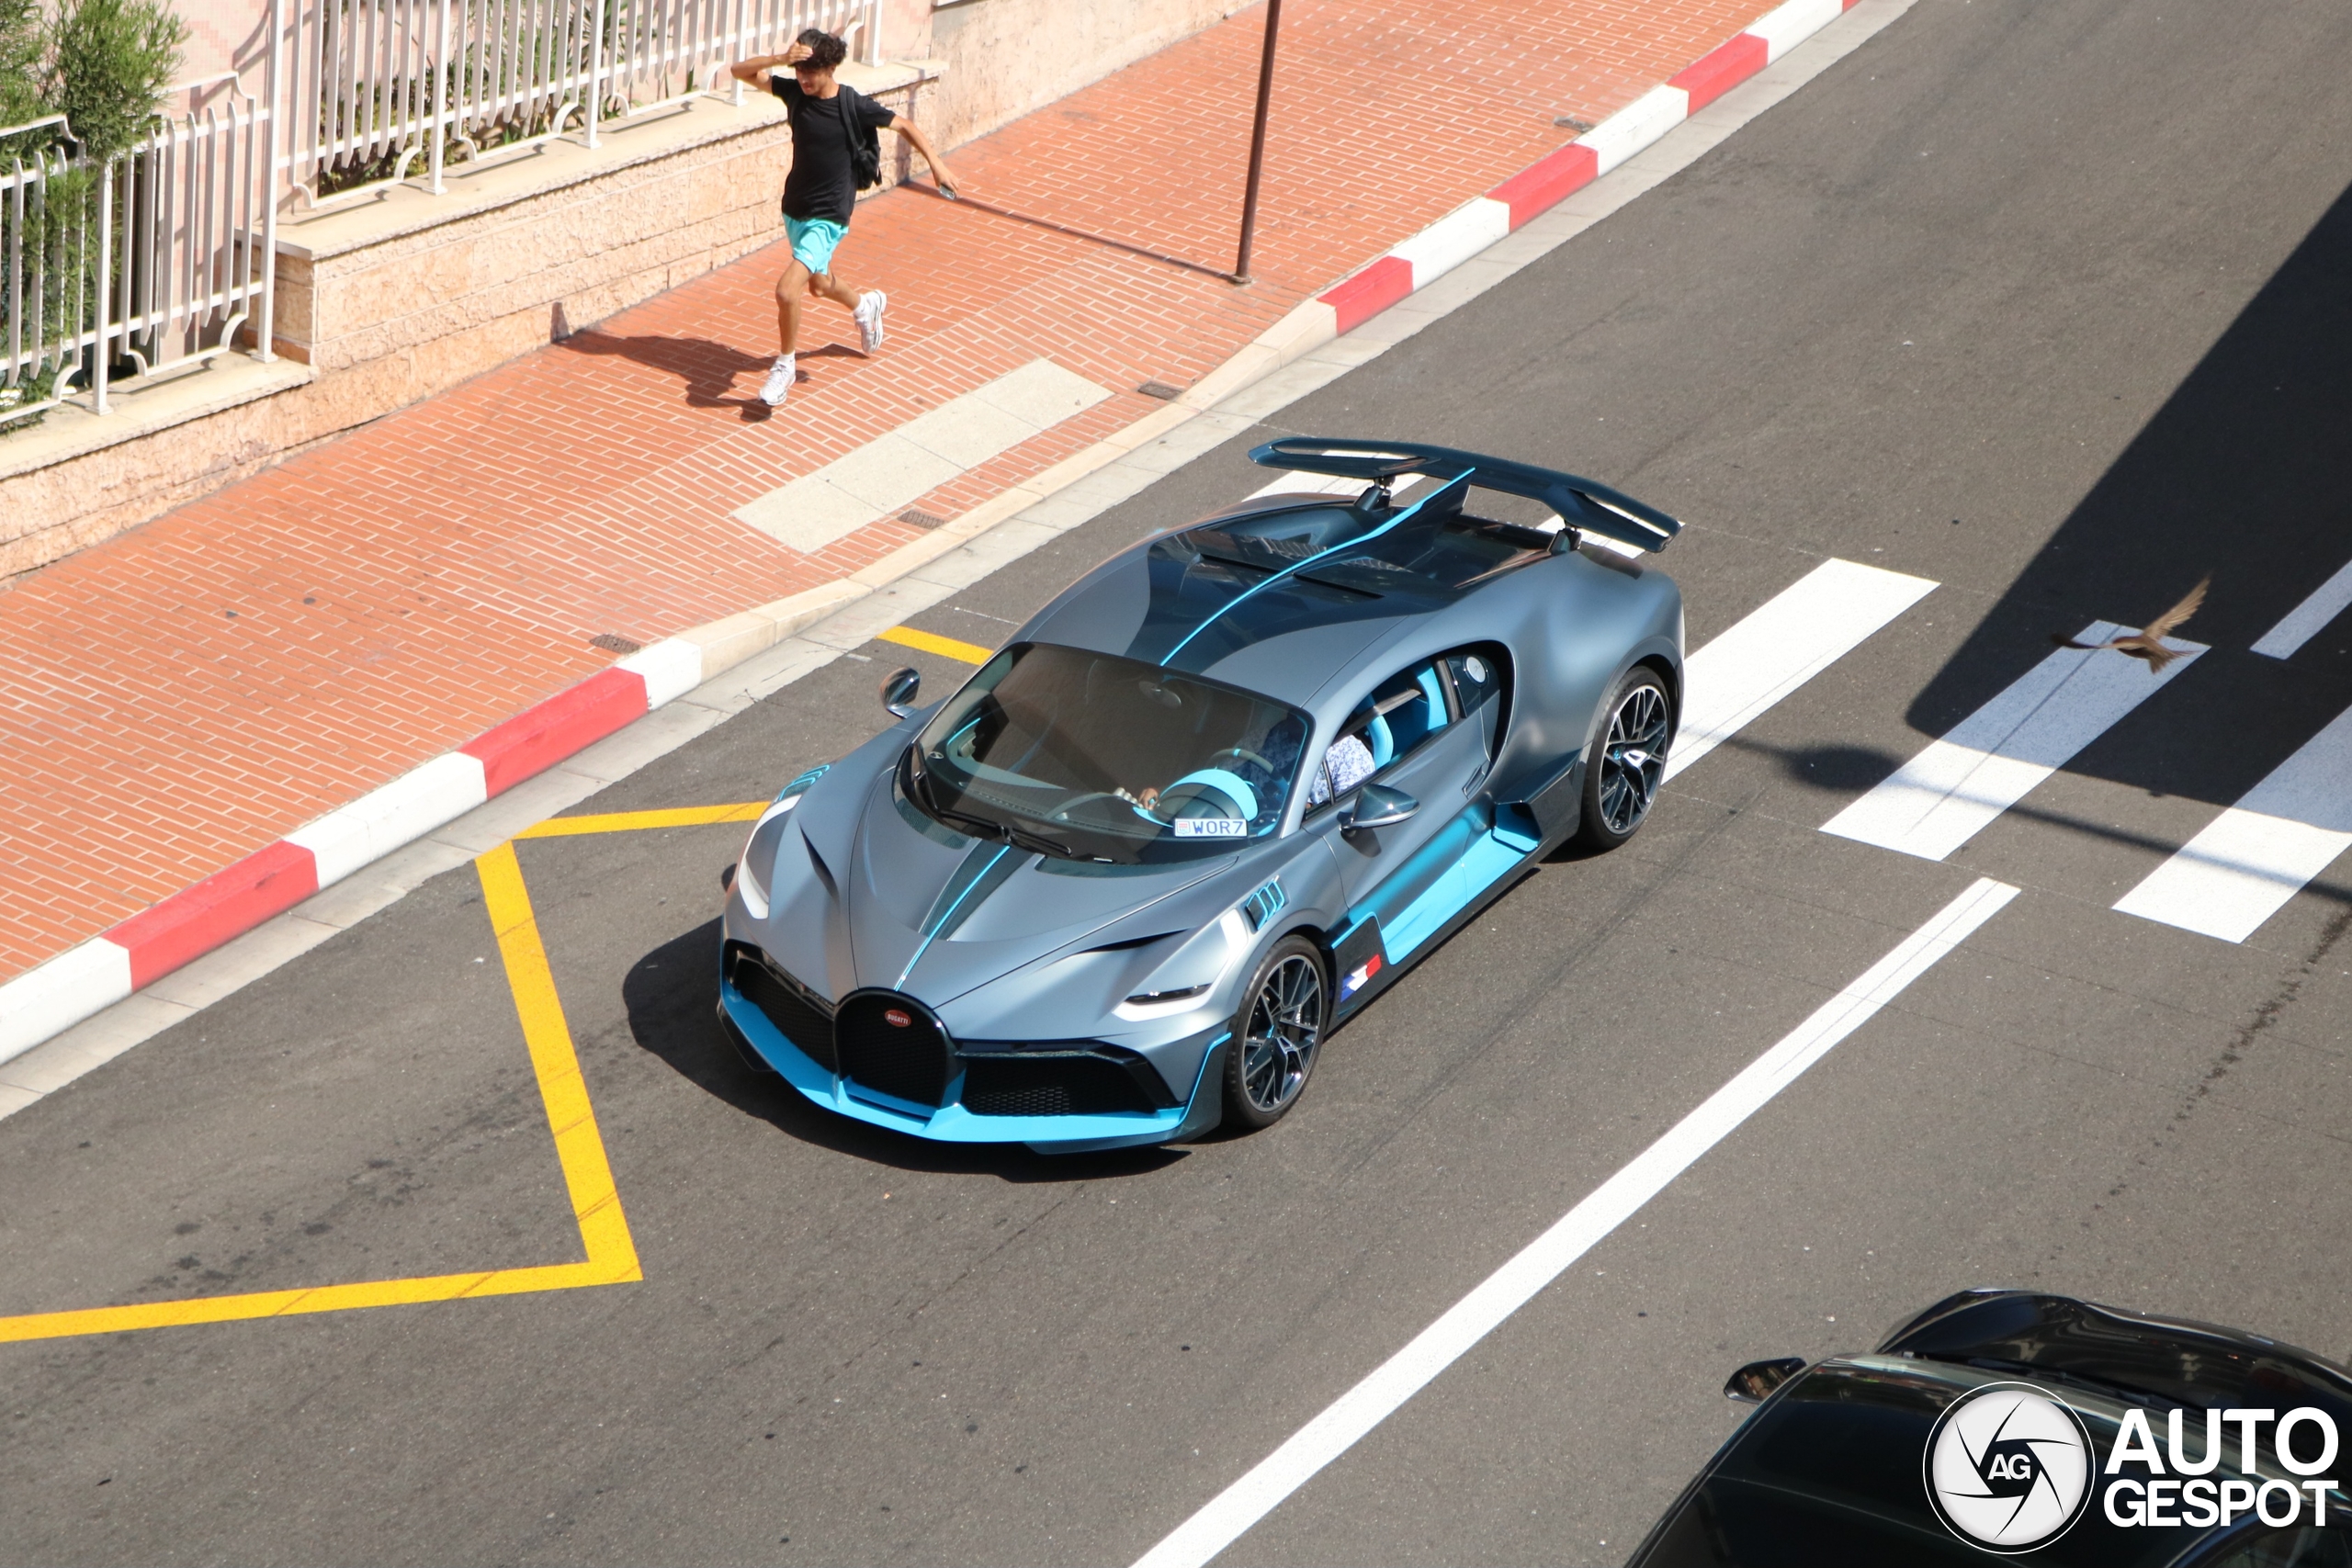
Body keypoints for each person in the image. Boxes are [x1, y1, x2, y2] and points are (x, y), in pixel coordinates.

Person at [729, 30, 960, 407]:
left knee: (788, 290)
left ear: (831, 67)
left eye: (812, 72)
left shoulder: (851, 104)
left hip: (829, 216)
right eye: (800, 70)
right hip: (795, 209)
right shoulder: (793, 93)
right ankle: (865, 306)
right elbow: (739, 71)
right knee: (819, 286)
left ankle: (784, 366)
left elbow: (904, 125)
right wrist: (777, 59)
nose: (804, 79)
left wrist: (936, 165)